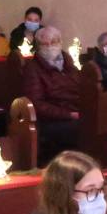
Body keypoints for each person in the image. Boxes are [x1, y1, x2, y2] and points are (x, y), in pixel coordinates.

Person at [22, 23, 82, 162]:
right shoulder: (33, 68)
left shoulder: (69, 64)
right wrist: (68, 114)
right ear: (38, 46)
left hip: (76, 112)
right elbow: (37, 103)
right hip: (51, 120)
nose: (50, 46)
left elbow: (81, 89)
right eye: (45, 43)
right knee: (80, 130)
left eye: (54, 42)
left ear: (60, 42)